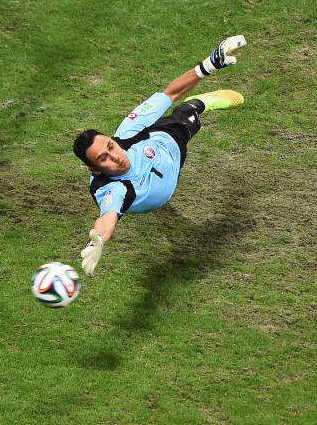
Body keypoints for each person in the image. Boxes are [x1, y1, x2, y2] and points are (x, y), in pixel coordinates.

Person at [72, 35, 248, 276]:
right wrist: (97, 242)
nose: (115, 156)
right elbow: (108, 218)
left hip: (166, 142)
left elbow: (169, 93)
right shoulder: (112, 189)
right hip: (167, 176)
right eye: (103, 159)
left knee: (186, 111)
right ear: (95, 169)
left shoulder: (127, 132)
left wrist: (209, 65)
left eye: (111, 146)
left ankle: (199, 104)